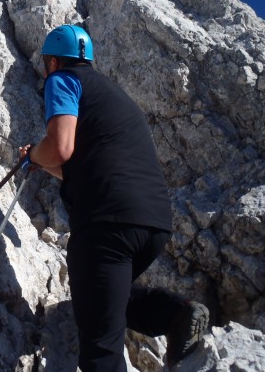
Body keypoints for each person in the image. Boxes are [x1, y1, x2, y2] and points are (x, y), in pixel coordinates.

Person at [21, 25, 209, 371]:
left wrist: (33, 154)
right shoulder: (113, 95)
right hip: (153, 221)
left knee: (100, 344)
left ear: (52, 62)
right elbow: (78, 164)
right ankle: (176, 315)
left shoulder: (62, 80)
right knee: (104, 299)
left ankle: (174, 316)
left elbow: (61, 147)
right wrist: (41, 163)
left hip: (106, 223)